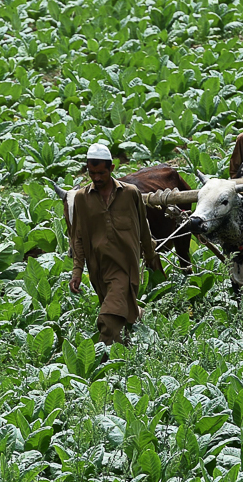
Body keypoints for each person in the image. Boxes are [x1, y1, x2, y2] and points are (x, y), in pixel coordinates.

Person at [69, 143, 163, 346]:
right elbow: (77, 237)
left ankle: (102, 360)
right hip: (98, 270)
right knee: (119, 313)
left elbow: (143, 228)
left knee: (108, 318)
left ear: (112, 169)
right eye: (92, 173)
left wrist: (150, 255)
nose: (96, 178)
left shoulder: (130, 193)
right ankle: (125, 353)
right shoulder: (81, 199)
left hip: (125, 268)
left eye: (101, 173)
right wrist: (77, 271)